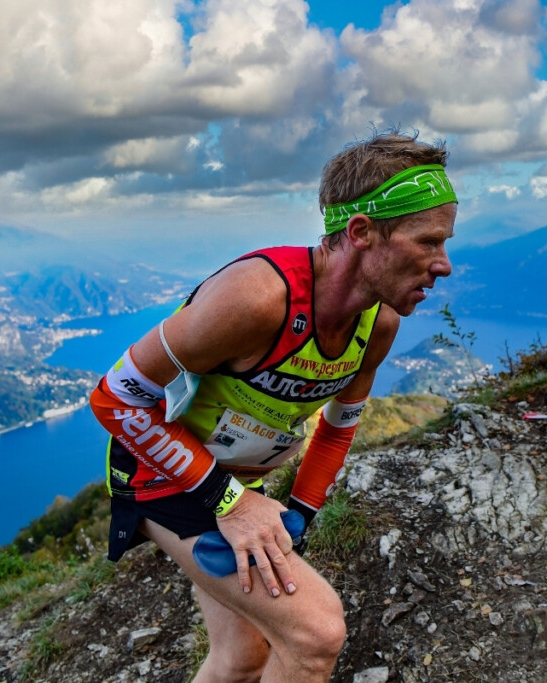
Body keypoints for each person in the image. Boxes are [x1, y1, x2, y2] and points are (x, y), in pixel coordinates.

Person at [89, 129, 457, 682]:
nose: (444, 263)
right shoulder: (257, 299)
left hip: (236, 485)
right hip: (165, 473)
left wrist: (301, 512)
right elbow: (115, 397)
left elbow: (336, 429)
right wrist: (230, 502)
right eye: (428, 242)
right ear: (361, 232)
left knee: (242, 656)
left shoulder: (378, 324)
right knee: (315, 632)